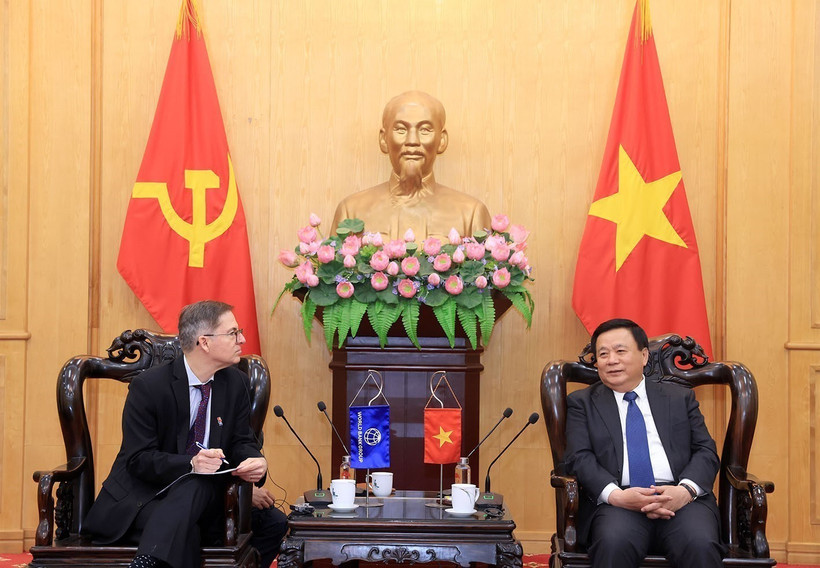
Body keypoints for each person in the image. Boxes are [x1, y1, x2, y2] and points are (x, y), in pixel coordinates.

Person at [83, 300, 268, 568]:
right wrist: (191, 464)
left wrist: (255, 460)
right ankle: (148, 559)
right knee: (192, 504)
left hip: (204, 502)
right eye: (233, 333)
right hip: (144, 498)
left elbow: (242, 441)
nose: (242, 339)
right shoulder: (148, 387)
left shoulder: (235, 383)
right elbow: (138, 459)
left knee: (271, 521)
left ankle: (147, 561)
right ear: (204, 342)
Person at [563, 318, 724, 568]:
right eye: (603, 354)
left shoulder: (679, 397)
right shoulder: (581, 403)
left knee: (699, 544)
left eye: (620, 351)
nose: (611, 360)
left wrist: (685, 491)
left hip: (680, 499)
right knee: (613, 543)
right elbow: (579, 458)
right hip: (618, 502)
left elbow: (705, 451)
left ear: (644, 356)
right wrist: (616, 496)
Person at [331, 91, 492, 240]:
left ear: (442, 140)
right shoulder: (351, 211)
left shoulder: (471, 214)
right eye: (400, 130)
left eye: (425, 130)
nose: (412, 141)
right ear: (383, 139)